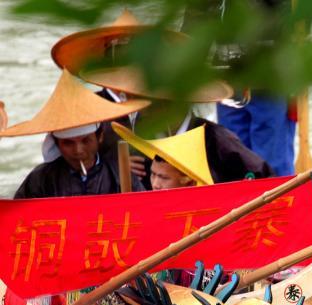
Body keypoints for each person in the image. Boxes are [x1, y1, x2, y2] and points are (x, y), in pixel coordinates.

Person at [49, 10, 272, 187]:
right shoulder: (124, 133)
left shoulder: (214, 139)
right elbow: (83, 172)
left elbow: (260, 180)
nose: (142, 105)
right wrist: (114, 167)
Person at [0, 71, 147, 198]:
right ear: (57, 143)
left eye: (85, 141)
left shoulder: (119, 176)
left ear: (99, 137)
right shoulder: (41, 180)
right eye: (68, 143)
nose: (78, 150)